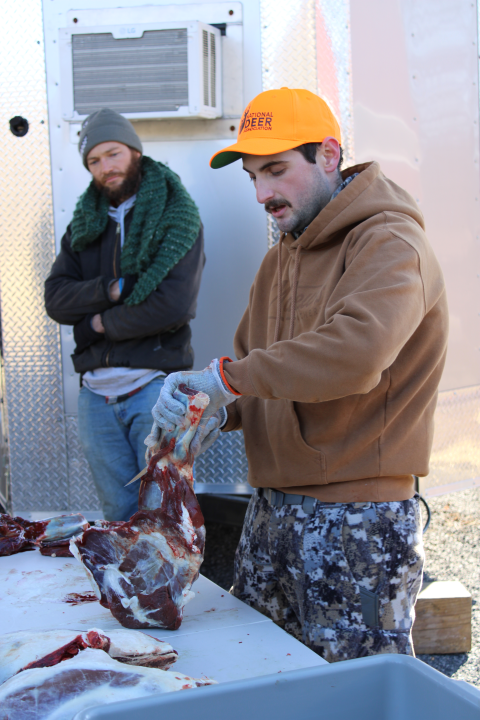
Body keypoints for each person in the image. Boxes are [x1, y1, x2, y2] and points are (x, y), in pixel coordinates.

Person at [149, 88, 448, 662]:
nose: (263, 193)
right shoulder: (279, 258)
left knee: (353, 695)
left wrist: (227, 383)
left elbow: (355, 354)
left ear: (330, 155)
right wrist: (210, 409)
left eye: (277, 170)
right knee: (265, 680)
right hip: (271, 512)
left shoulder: (388, 240)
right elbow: (255, 374)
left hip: (357, 517)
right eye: (253, 177)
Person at [45, 108, 205, 521]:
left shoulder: (176, 214)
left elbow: (173, 306)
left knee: (165, 513)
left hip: (156, 389)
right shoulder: (83, 225)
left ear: (134, 151)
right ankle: (126, 589)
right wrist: (111, 289)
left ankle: (170, 588)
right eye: (94, 161)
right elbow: (56, 300)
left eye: (113, 154)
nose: (105, 168)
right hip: (95, 397)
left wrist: (97, 323)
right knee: (117, 514)